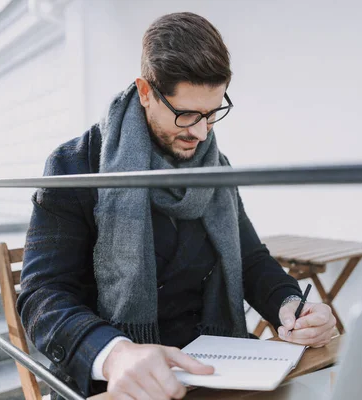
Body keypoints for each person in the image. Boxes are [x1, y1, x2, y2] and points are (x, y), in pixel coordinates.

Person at [17, 12, 336, 400]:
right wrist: (116, 354)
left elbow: (252, 259)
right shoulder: (74, 166)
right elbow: (43, 296)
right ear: (146, 91)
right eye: (186, 115)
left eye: (212, 114)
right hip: (116, 381)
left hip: (215, 372)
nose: (201, 133)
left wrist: (291, 306)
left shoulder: (215, 167)